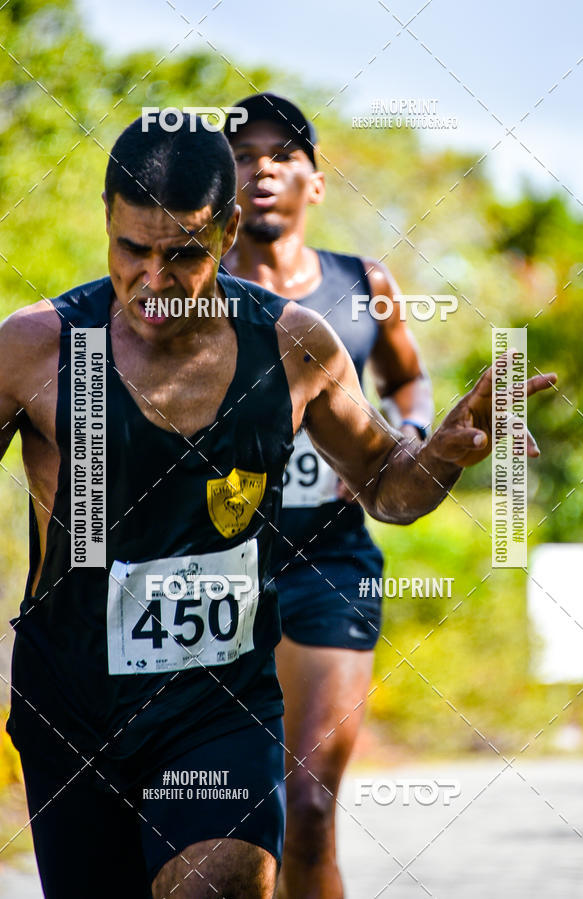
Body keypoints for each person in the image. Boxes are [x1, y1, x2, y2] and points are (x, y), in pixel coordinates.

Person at [0, 112, 555, 899]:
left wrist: (439, 451)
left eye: (184, 253)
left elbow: (387, 486)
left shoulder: (294, 346)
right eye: (134, 250)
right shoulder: (42, 346)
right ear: (107, 221)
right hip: (74, 700)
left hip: (217, 701)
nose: (154, 281)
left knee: (220, 884)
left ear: (227, 232)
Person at [223, 93, 434, 898]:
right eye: (243, 158)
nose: (262, 172)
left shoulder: (361, 282)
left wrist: (405, 434)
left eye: (283, 157)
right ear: (222, 182)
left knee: (308, 803)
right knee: (241, 818)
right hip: (216, 567)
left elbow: (407, 380)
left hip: (330, 559)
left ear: (315, 182)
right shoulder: (196, 294)